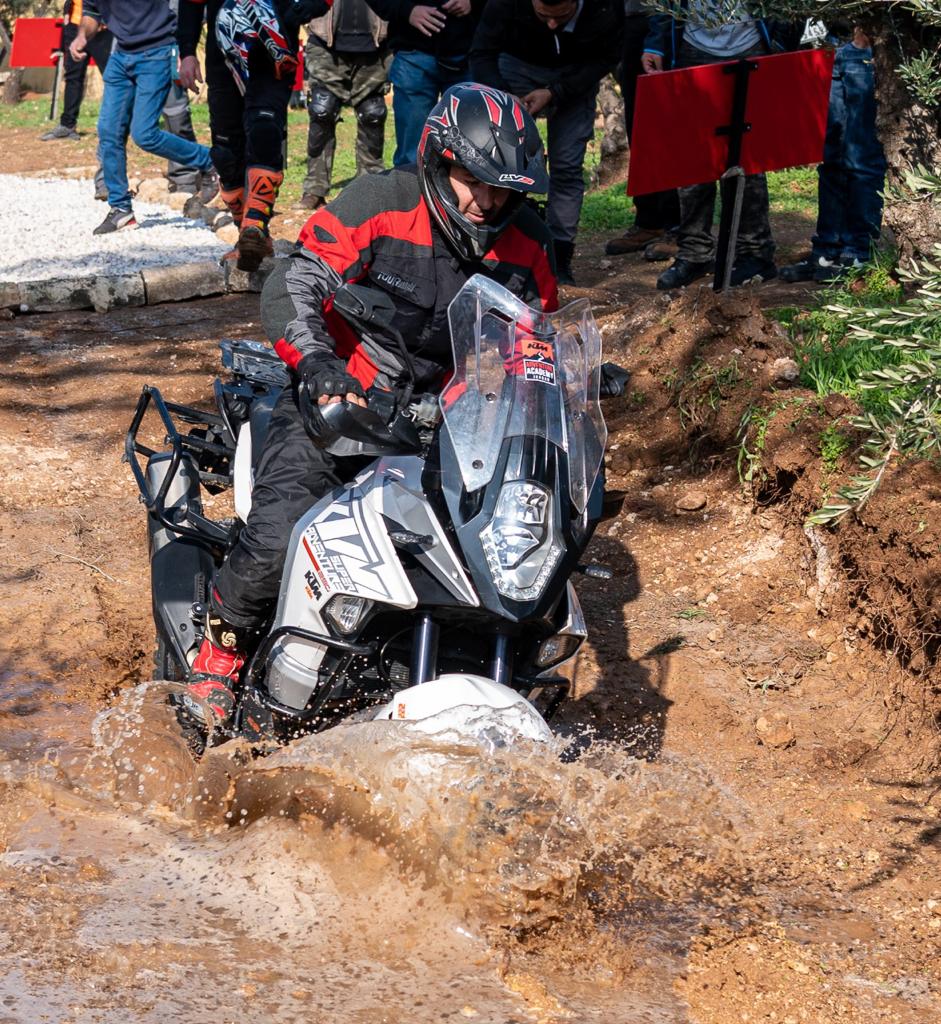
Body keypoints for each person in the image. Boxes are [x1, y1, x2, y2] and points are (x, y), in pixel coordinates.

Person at [179, 83, 558, 741]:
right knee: (278, 537)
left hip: (448, 428)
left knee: (507, 556)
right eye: (474, 181)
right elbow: (295, 280)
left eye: (503, 190)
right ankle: (219, 655)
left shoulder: (527, 241)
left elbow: (537, 337)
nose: (487, 202)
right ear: (438, 160)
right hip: (339, 405)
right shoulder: (381, 202)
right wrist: (317, 363)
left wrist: (562, 382)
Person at [470, 0, 623, 286]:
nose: (552, 24)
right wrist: (503, 95)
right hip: (515, 67)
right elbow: (481, 53)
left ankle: (559, 257)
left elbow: (604, 58)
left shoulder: (604, 8)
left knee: (567, 165)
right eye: (543, 15)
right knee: (501, 160)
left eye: (562, 16)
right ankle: (496, 245)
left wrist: (555, 91)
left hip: (576, 74)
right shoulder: (503, 5)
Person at [642, 1, 792, 290]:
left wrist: (781, 42)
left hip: (751, 44)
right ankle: (695, 253)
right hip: (692, 48)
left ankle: (755, 253)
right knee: (692, 161)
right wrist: (656, 43)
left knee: (748, 158)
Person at [177, 0, 327, 271]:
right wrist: (187, 51)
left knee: (264, 131)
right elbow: (191, 4)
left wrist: (296, 12)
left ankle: (255, 223)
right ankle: (249, 238)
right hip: (222, 56)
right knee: (225, 154)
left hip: (273, 52)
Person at [72, 0, 217, 234]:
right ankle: (121, 209)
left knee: (144, 134)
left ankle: (211, 160)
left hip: (157, 52)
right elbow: (90, 13)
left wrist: (185, 49)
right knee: (108, 131)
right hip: (120, 55)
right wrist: (82, 36)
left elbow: (188, 6)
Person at [780, 27, 886, 283]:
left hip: (866, 54)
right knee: (831, 161)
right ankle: (826, 252)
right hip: (832, 51)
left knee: (862, 161)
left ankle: (857, 253)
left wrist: (865, 42)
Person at [604, 0, 680, 258]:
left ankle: (678, 227)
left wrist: (656, 39)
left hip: (664, 19)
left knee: (668, 131)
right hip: (627, 21)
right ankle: (650, 221)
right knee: (639, 129)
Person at [365, 0, 481, 167]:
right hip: (413, 53)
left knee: (472, 153)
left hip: (469, 53)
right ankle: (411, 183)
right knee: (412, 158)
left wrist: (473, 3)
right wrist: (407, 10)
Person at [300, 0, 391, 211]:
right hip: (325, 44)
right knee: (322, 111)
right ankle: (315, 189)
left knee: (372, 113)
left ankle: (371, 186)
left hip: (376, 46)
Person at [42, 1, 114, 142]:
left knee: (112, 76)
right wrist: (67, 11)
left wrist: (106, 19)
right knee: (73, 76)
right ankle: (67, 126)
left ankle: (120, 125)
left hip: (101, 27)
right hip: (74, 26)